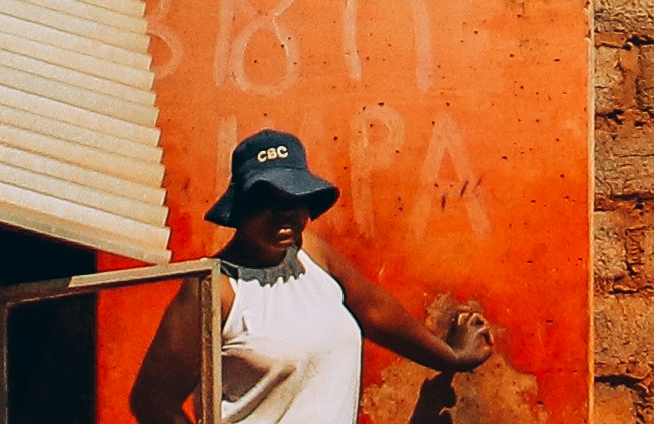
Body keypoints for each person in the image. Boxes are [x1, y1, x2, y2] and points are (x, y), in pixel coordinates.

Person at [131, 129, 498, 424]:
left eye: (295, 200)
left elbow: (372, 309)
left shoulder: (312, 254)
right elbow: (151, 402)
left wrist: (450, 356)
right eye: (267, 202)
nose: (285, 215)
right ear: (241, 208)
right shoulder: (216, 288)